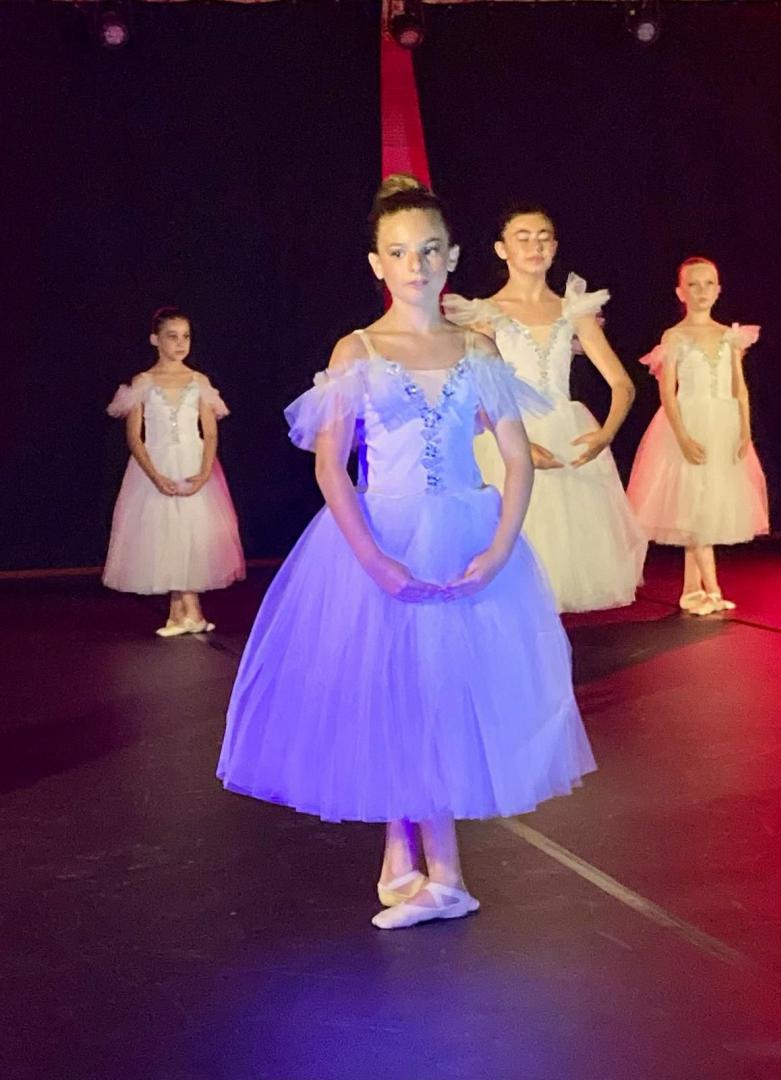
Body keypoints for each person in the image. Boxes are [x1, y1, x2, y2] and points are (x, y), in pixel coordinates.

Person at [217, 177, 595, 931]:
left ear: (451, 256)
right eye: (398, 252)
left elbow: (517, 459)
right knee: (390, 685)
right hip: (378, 538)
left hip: (460, 534)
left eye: (428, 250)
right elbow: (332, 467)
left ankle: (449, 877)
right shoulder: (359, 349)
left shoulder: (475, 348)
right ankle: (400, 845)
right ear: (376, 263)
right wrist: (373, 560)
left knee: (438, 691)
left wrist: (499, 547)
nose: (414, 265)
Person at [444, 206, 646, 613]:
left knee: (561, 564)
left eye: (543, 237)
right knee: (511, 563)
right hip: (508, 436)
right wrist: (514, 445)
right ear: (502, 249)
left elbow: (622, 384)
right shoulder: (485, 314)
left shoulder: (573, 310)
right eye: (523, 237)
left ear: (554, 247)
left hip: (565, 438)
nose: (534, 246)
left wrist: (606, 434)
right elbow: (470, 391)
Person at [627, 257, 769, 615]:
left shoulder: (729, 336)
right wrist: (682, 436)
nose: (702, 291)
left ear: (718, 289)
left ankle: (693, 589)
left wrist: (745, 431)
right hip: (689, 423)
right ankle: (713, 589)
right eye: (694, 284)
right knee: (694, 505)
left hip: (723, 425)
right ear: (681, 292)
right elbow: (667, 392)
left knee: (705, 504)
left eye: (709, 283)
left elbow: (739, 388)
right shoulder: (675, 336)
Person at [104, 307, 245, 634]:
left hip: (193, 463)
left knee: (191, 531)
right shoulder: (143, 382)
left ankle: (189, 612)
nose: (181, 343)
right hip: (156, 465)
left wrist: (205, 472)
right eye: (172, 336)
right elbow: (134, 437)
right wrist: (154, 475)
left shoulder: (198, 381)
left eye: (186, 337)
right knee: (165, 533)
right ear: (155, 340)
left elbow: (210, 433)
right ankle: (181, 612)